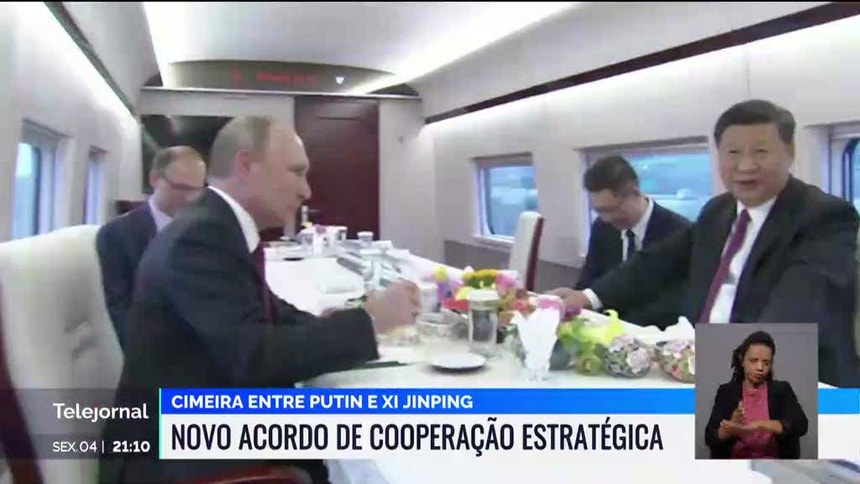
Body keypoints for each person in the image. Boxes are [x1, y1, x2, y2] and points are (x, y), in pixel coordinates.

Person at [98, 116, 421, 483]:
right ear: (247, 165)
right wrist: (370, 321)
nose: (306, 191)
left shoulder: (215, 225)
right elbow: (255, 358)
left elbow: (271, 312)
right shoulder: (200, 238)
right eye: (296, 172)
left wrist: (344, 319)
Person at [549, 99, 859, 387]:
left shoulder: (824, 216)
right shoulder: (718, 211)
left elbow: (797, 305)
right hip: (698, 364)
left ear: (790, 152)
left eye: (761, 152)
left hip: (789, 380)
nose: (745, 166)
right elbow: (658, 261)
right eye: (733, 153)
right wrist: (587, 297)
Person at [96, 145, 206, 349]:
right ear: (155, 179)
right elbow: (124, 317)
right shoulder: (116, 235)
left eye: (197, 190)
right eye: (181, 188)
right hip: (156, 352)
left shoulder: (206, 230)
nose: (190, 198)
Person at [577, 154, 690, 328]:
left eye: (612, 209)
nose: (607, 218)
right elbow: (589, 280)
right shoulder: (602, 227)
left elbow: (673, 305)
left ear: (635, 193)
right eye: (600, 211)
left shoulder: (678, 232)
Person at [704, 331, 808, 459]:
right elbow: (710, 438)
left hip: (774, 463)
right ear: (742, 360)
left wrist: (760, 425)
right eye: (754, 361)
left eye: (766, 363)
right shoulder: (726, 392)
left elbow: (801, 425)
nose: (760, 368)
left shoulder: (782, 390)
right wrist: (728, 429)